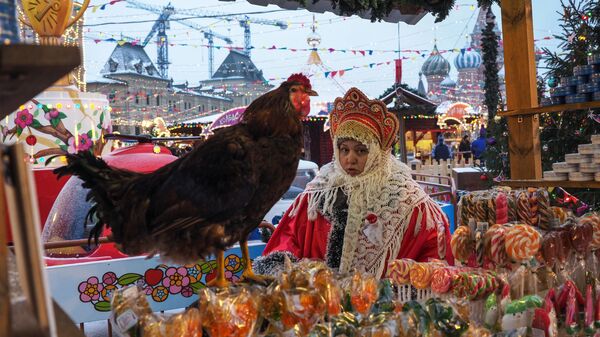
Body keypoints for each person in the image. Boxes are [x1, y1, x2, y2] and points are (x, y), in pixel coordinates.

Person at [254, 88, 454, 279]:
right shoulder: (318, 193)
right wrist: (289, 276)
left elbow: (434, 251)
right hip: (319, 304)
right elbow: (288, 241)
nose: (350, 159)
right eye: (344, 149)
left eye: (361, 150)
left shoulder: (406, 199)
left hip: (386, 310)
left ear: (377, 152)